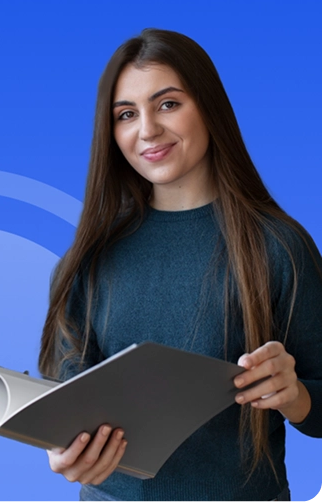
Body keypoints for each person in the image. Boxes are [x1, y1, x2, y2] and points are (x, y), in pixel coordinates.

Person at [37, 28, 322, 502]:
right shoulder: (88, 259)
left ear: (208, 106)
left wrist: (293, 394)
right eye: (126, 115)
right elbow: (67, 397)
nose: (147, 130)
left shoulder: (279, 247)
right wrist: (61, 449)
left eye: (168, 104)